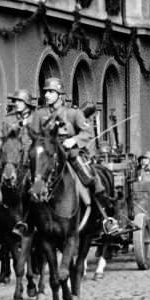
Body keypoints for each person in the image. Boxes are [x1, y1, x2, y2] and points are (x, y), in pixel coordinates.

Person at [29, 77, 119, 236]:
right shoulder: (39, 114)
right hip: (47, 154)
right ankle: (27, 222)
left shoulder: (73, 113)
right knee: (28, 181)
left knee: (89, 177)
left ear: (59, 95)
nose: (47, 95)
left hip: (69, 153)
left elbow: (87, 132)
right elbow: (33, 135)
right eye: (46, 92)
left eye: (51, 92)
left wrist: (74, 140)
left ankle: (106, 218)